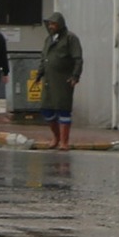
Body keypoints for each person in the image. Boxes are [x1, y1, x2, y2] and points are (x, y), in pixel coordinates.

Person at [36, 12, 82, 150]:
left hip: (63, 80)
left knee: (63, 110)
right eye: (49, 24)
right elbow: (44, 58)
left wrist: (75, 76)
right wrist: (39, 74)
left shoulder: (70, 38)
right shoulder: (48, 39)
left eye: (54, 24)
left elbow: (78, 59)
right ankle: (55, 136)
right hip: (48, 81)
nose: (51, 26)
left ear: (60, 25)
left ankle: (64, 141)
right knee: (47, 110)